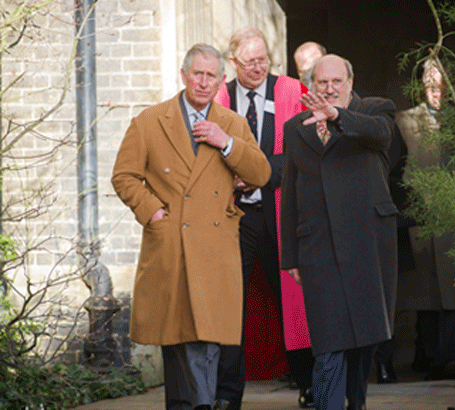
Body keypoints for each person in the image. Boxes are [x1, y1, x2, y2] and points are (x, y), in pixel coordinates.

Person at [111, 43, 270, 410]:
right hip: (172, 243)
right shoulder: (150, 121)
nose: (202, 82)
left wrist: (226, 143)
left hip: (216, 245)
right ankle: (195, 404)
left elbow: (260, 173)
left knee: (207, 338)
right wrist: (152, 212)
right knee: (178, 338)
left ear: (221, 80)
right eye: (196, 74)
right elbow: (125, 176)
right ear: (183, 76)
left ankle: (198, 403)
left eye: (210, 75)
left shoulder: (232, 123)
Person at [279, 54, 398, 410]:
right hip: (318, 244)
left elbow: (381, 136)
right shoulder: (296, 127)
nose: (329, 89)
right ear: (311, 85)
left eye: (336, 82)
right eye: (322, 83)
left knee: (365, 337)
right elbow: (290, 190)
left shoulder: (377, 110)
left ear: (350, 81)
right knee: (329, 339)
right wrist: (290, 255)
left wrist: (337, 116)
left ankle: (355, 402)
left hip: (367, 240)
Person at [212, 27, 315, 409]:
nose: (258, 68)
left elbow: (302, 152)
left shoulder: (290, 91)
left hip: (279, 211)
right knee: (230, 305)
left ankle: (310, 385)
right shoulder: (219, 97)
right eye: (249, 61)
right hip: (235, 215)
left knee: (294, 298)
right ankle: (227, 395)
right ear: (233, 62)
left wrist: (258, 171)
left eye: (263, 60)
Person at [395, 59, 455, 382]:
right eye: (428, 85)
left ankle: (453, 359)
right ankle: (426, 356)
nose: (435, 91)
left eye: (439, 84)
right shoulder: (404, 121)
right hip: (421, 217)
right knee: (426, 292)